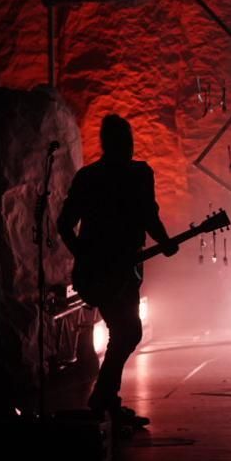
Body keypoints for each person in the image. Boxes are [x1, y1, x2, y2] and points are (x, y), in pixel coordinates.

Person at [57, 114, 176, 426]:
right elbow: (149, 216)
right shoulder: (136, 175)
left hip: (115, 271)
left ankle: (107, 400)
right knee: (128, 332)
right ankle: (102, 398)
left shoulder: (90, 177)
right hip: (112, 271)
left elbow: (64, 224)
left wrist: (84, 256)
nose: (130, 148)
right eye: (125, 141)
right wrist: (163, 241)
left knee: (122, 333)